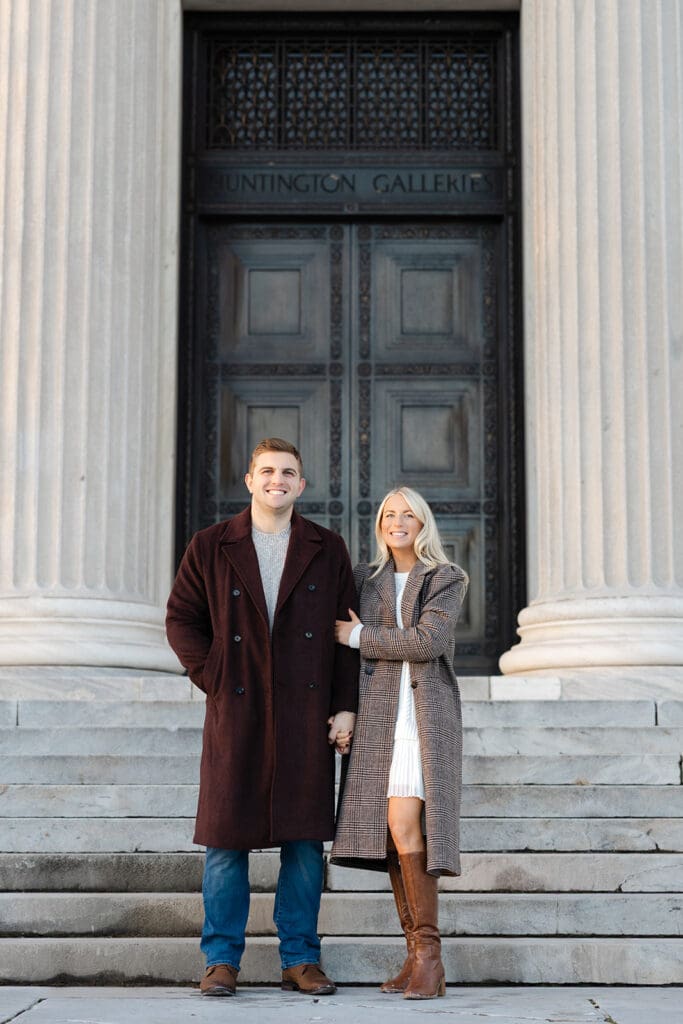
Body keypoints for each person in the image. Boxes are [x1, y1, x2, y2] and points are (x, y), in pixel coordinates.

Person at [166, 438, 358, 998]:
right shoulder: (210, 545)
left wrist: (345, 705)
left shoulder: (327, 547)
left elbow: (347, 636)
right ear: (249, 480)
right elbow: (182, 619)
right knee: (226, 842)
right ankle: (221, 960)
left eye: (288, 472)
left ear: (301, 485)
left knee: (303, 844)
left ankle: (300, 958)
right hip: (238, 709)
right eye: (267, 470)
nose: (278, 479)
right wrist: (214, 676)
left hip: (306, 711)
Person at [331, 487, 468, 1000]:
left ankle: (429, 957)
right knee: (392, 831)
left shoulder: (446, 578)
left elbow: (428, 644)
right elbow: (347, 646)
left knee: (405, 822)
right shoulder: (366, 581)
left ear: (423, 522)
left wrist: (361, 636)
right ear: (380, 524)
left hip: (424, 716)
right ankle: (416, 958)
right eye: (389, 514)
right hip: (378, 717)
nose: (398, 521)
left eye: (408, 514)